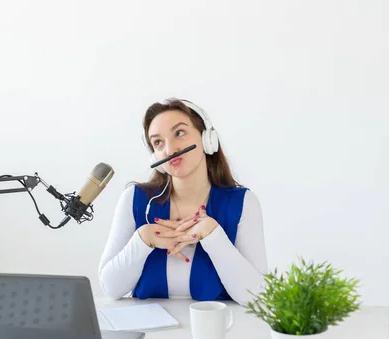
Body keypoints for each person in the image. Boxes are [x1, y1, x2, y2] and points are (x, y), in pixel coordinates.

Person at [98, 98, 267, 306]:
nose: (169, 150)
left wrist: (213, 236)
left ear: (207, 139)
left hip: (221, 334)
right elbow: (111, 288)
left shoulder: (243, 203)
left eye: (179, 133)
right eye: (158, 142)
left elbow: (258, 298)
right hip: (150, 334)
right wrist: (142, 239)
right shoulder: (135, 198)